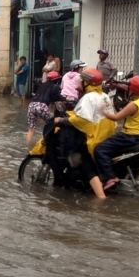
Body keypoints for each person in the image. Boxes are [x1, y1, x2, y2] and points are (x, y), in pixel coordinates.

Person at [54, 68, 116, 199]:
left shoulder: (89, 98)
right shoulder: (105, 96)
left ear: (87, 83)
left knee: (87, 167)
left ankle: (101, 198)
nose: (78, 85)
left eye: (81, 82)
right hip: (106, 136)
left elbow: (81, 120)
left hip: (94, 137)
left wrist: (62, 120)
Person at [95, 76, 139, 191]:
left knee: (100, 150)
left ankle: (110, 178)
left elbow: (116, 117)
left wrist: (102, 112)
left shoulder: (133, 104)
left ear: (131, 89)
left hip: (128, 137)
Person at [26, 70, 63, 144]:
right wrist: (66, 99)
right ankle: (47, 142)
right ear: (56, 80)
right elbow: (59, 98)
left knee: (31, 129)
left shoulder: (43, 85)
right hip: (41, 106)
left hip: (32, 105)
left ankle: (28, 145)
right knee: (52, 123)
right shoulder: (54, 86)